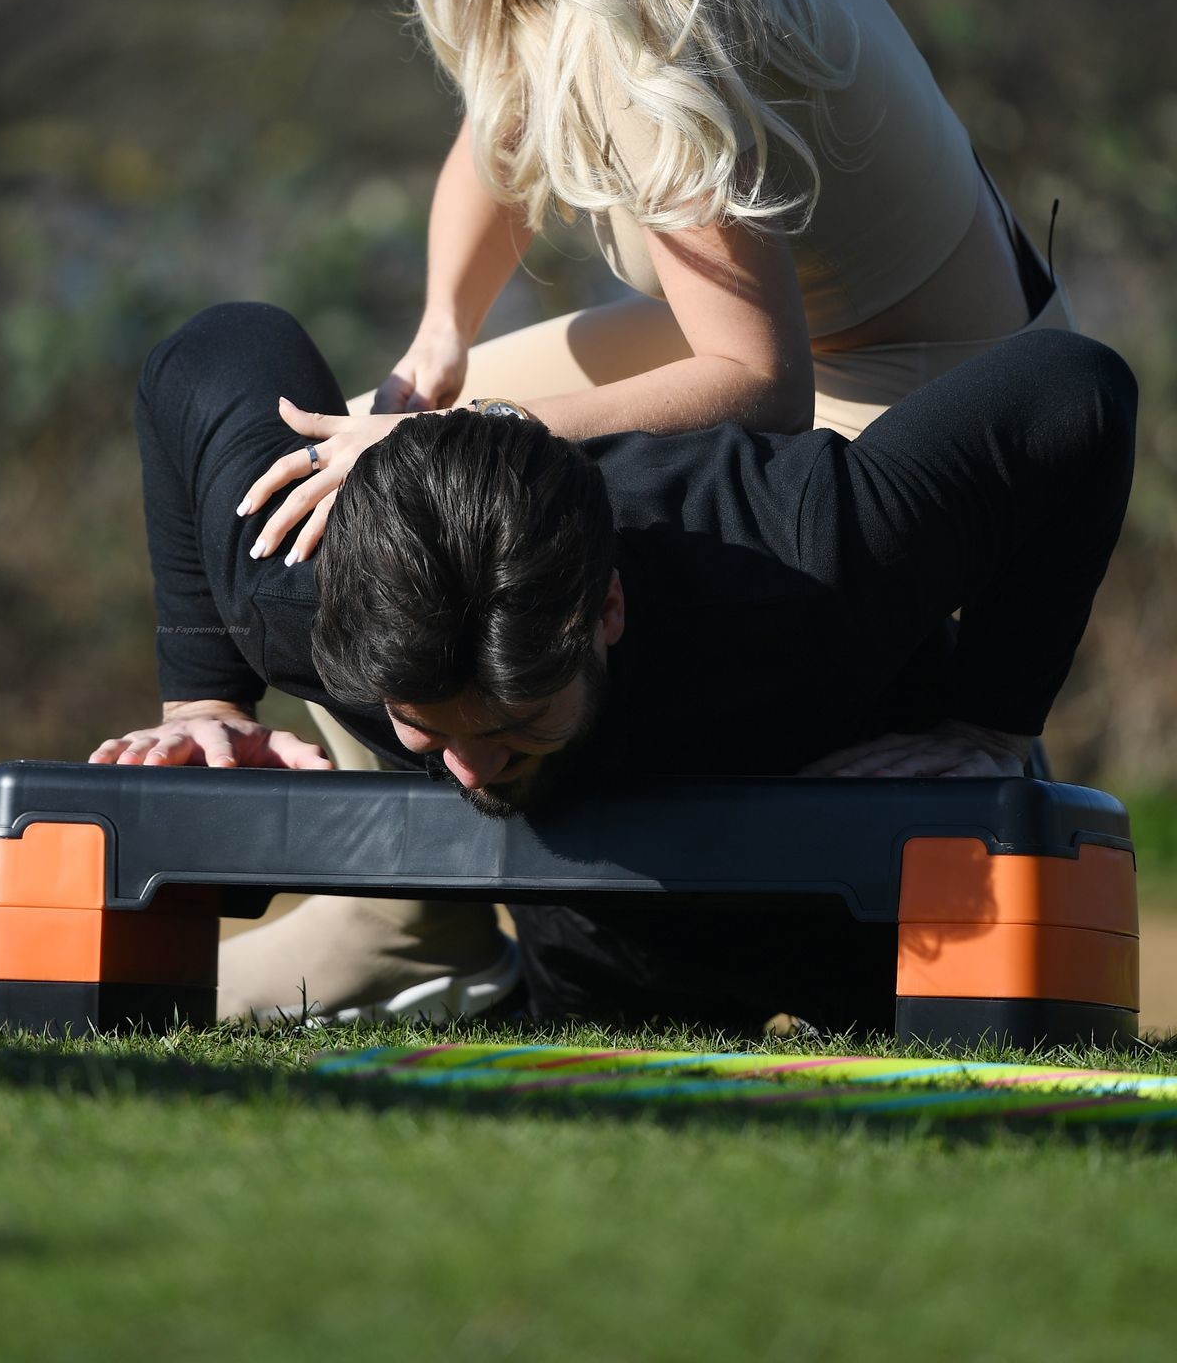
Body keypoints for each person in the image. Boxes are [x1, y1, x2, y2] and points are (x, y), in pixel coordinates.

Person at [221, 0, 1080, 1015]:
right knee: (384, 471)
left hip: (916, 385)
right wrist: (436, 348)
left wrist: (463, 441)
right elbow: (498, 134)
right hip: (804, 339)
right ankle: (401, 910)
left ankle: (904, 775)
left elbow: (758, 381)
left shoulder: (656, 11)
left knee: (448, 499)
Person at [93, 302, 1137, 1034]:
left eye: (513, 720)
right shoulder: (296, 591)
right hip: (599, 924)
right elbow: (215, 344)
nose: (468, 767)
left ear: (606, 612)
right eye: (427, 728)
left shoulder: (813, 553)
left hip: (869, 876)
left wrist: (987, 722)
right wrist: (206, 697)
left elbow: (1073, 388)